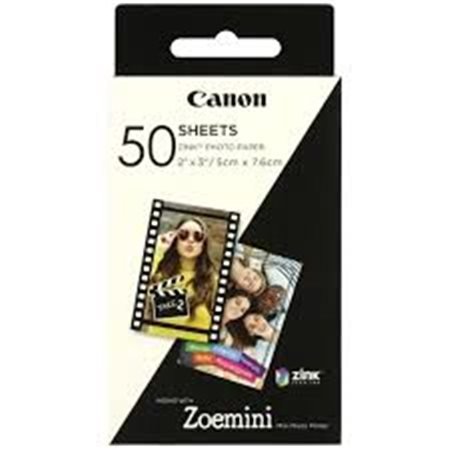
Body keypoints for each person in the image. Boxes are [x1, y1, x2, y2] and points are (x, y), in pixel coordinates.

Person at [150, 217, 217, 330]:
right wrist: (159, 249)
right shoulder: (159, 275)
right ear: (175, 240)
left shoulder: (213, 281)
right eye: (183, 234)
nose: (190, 240)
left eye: (198, 236)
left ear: (203, 244)